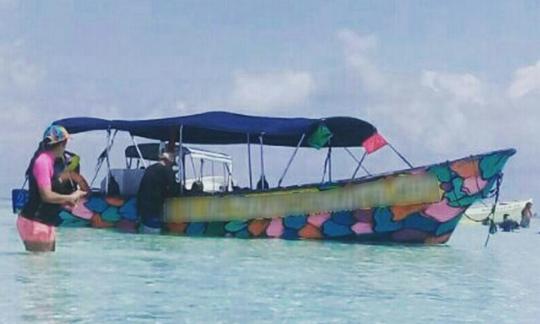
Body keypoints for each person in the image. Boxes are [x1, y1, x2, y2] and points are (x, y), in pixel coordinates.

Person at [18, 125, 87, 252]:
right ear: (63, 143)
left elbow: (50, 195)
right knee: (40, 270)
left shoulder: (51, 161)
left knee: (49, 268)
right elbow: (46, 196)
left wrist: (68, 200)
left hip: (45, 222)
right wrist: (70, 197)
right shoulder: (43, 162)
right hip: (35, 222)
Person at [137, 151, 179, 234]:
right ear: (168, 161)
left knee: (146, 228)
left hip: (142, 202)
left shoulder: (150, 168)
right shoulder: (166, 170)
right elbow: (172, 188)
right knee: (154, 230)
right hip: (155, 203)